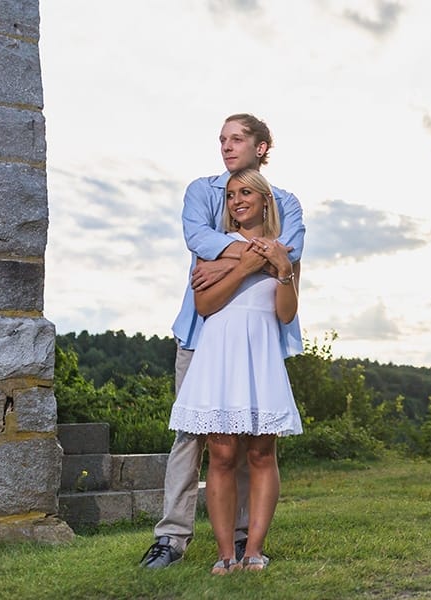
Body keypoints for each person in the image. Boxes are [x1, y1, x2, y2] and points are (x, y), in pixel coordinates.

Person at [140, 114, 305, 569]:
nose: (227, 147)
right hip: (201, 332)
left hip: (259, 339)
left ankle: (242, 541)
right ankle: (171, 539)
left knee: (253, 437)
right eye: (222, 140)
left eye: (237, 139)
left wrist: (225, 259)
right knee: (193, 438)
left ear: (262, 147)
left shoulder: (286, 201)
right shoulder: (201, 191)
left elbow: (288, 250)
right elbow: (199, 238)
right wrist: (254, 257)